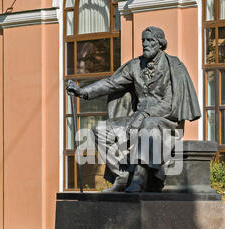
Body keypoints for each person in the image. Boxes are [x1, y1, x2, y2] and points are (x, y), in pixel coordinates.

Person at [66, 26, 201, 193]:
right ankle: (122, 176)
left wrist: (145, 114)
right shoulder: (135, 65)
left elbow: (170, 102)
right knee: (99, 130)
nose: (145, 44)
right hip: (136, 118)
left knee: (148, 125)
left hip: (165, 119)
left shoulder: (173, 66)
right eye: (143, 40)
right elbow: (110, 83)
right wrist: (83, 91)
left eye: (150, 40)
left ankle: (139, 178)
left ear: (160, 44)